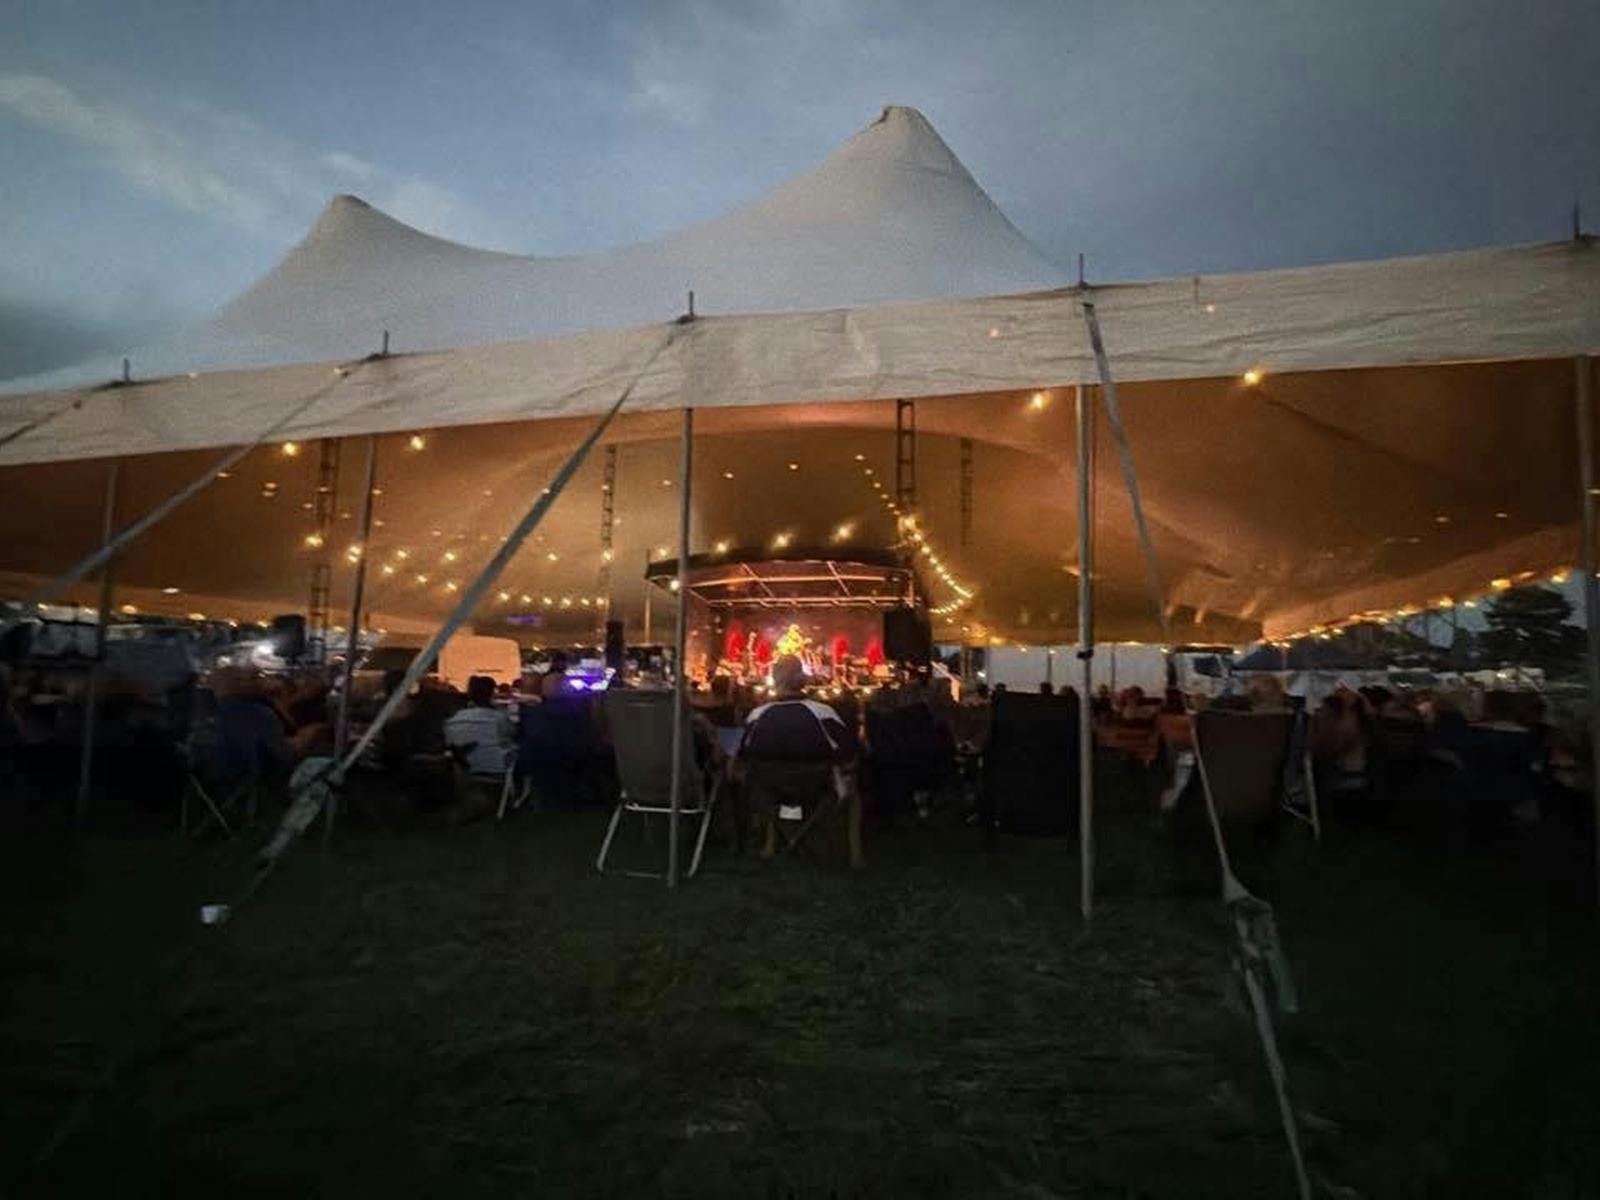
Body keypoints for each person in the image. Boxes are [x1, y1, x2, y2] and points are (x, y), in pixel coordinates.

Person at [444, 674, 513, 775]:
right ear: (492, 693)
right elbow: (511, 736)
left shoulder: (453, 720)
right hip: (495, 770)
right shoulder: (498, 718)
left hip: (463, 773)